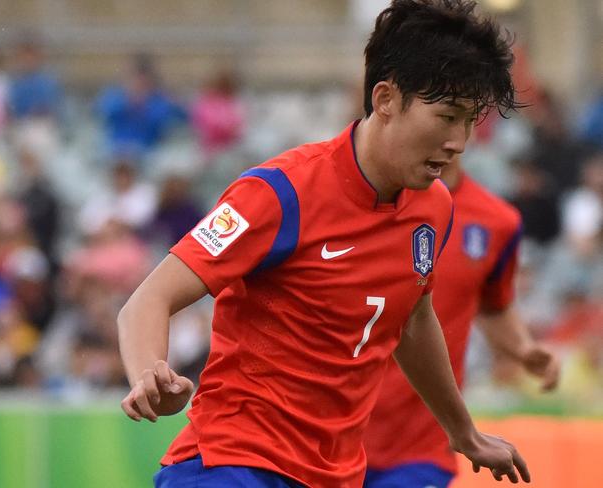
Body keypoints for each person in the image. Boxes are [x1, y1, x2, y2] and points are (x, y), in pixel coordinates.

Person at [118, 1, 530, 487]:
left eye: (469, 122)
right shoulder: (279, 193)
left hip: (335, 475)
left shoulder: (433, 208)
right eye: (447, 117)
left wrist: (463, 433)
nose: (460, 142)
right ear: (385, 99)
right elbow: (148, 299)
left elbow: (414, 320)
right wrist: (149, 373)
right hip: (235, 465)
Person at [362, 156, 561, 488]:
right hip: (335, 436)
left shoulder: (498, 221)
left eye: (462, 119)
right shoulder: (360, 204)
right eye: (444, 115)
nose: (451, 135)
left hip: (421, 446)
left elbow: (493, 304)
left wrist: (523, 348)